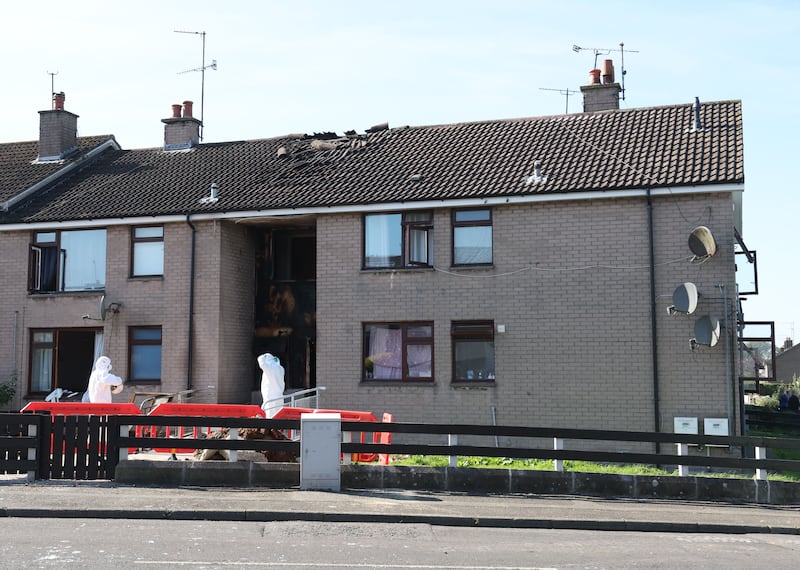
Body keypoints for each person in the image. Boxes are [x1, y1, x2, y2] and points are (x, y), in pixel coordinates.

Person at [258, 352, 285, 418]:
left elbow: (261, 362)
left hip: (270, 397)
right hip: (279, 397)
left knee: (270, 418)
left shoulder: (269, 368)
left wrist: (263, 356)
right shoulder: (281, 368)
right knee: (279, 417)